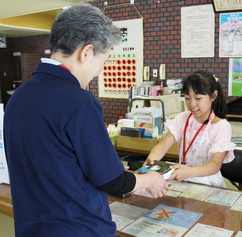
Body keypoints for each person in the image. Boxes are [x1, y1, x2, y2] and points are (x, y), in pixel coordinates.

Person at [4, 3, 168, 237]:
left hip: (31, 228)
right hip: (77, 228)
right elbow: (112, 181)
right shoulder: (78, 101)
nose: (97, 72)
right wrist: (150, 178)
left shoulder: (19, 97)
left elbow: (53, 163)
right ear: (86, 52)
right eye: (102, 62)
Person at [143, 70, 236, 188]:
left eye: (198, 98)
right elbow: (162, 146)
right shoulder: (182, 119)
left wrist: (188, 172)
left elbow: (215, 165)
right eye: (187, 98)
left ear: (213, 96)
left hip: (208, 186)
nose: (192, 104)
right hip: (183, 182)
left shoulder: (221, 127)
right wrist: (152, 160)